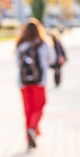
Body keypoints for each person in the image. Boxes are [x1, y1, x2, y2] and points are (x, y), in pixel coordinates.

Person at [15, 18, 52, 150]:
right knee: (39, 106)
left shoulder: (20, 44)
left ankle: (29, 136)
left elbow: (17, 63)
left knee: (28, 110)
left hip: (23, 82)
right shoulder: (43, 44)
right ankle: (33, 128)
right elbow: (51, 59)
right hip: (39, 81)